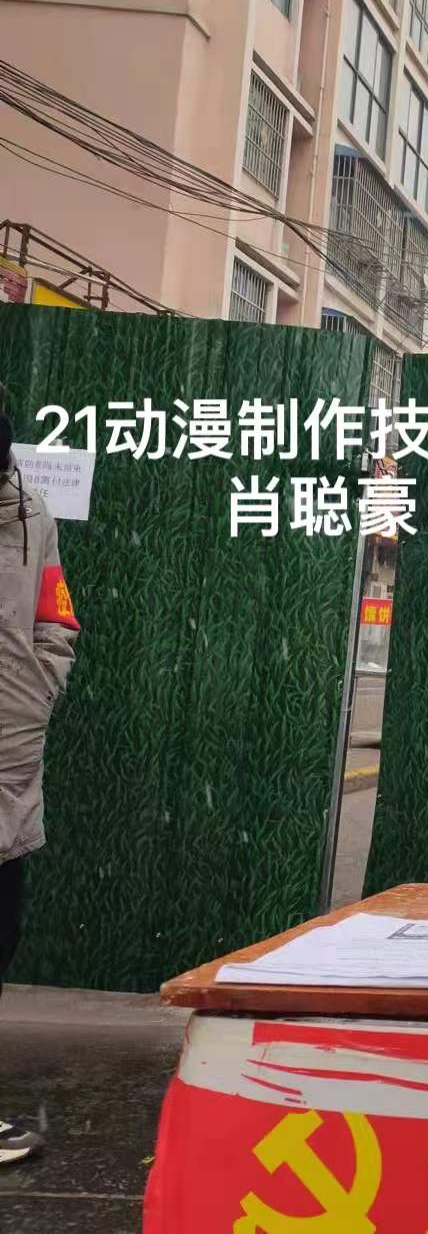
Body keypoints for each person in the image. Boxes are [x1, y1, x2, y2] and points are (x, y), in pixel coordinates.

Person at [0, 415, 80, 1165]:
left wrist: (33, 696)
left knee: (2, 930)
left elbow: (56, 620)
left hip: (7, 759)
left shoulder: (31, 516)